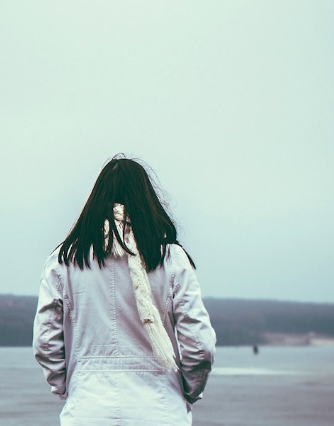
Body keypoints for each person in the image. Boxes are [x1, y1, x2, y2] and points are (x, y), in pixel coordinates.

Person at [34, 155, 217, 425]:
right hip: (159, 409)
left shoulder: (64, 260)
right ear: (147, 201)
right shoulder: (171, 259)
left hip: (88, 409)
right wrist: (188, 391)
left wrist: (70, 387)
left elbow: (46, 342)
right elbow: (199, 347)